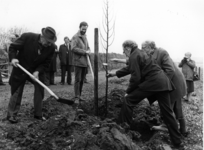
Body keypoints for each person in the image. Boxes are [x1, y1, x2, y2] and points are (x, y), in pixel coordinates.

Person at [108, 40, 183, 149]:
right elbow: (130, 68)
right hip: (163, 82)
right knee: (168, 113)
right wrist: (114, 73)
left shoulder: (134, 55)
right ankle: (178, 143)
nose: (124, 52)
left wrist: (128, 92)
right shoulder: (140, 53)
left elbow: (136, 78)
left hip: (153, 83)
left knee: (128, 100)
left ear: (128, 48)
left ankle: (123, 130)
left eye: (124, 50)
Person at [7, 27, 57, 123]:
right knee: (17, 90)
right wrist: (13, 58)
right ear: (42, 37)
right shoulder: (27, 37)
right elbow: (13, 47)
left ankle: (38, 114)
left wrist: (38, 71)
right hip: (21, 67)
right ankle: (12, 115)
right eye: (48, 41)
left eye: (51, 42)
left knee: (40, 88)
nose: (49, 44)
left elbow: (46, 63)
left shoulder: (51, 47)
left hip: (36, 70)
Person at [141, 41, 188, 137]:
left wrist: (162, 85)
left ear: (150, 47)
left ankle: (170, 129)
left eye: (143, 48)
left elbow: (170, 70)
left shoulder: (162, 52)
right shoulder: (151, 54)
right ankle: (183, 130)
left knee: (168, 108)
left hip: (174, 83)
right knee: (175, 108)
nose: (142, 51)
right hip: (172, 83)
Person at [71, 21, 90, 102]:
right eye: (83, 29)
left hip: (84, 62)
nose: (84, 30)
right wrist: (84, 52)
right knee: (77, 80)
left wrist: (89, 50)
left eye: (85, 29)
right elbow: (73, 48)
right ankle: (76, 97)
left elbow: (88, 47)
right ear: (80, 27)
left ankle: (80, 95)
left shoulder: (85, 37)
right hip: (78, 62)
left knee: (82, 80)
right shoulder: (75, 37)